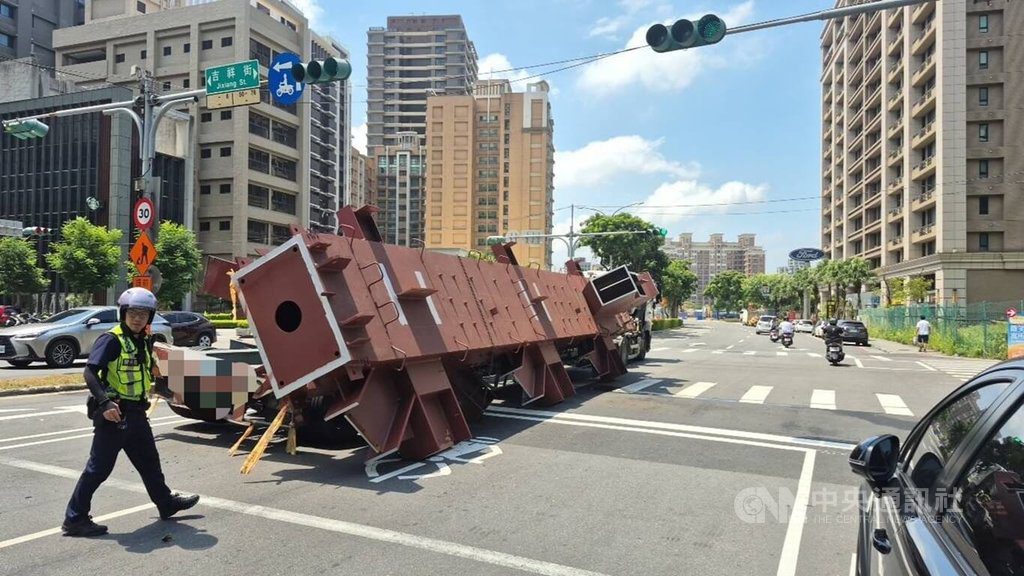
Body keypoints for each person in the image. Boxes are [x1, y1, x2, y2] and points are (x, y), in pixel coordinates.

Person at [62, 287, 199, 537]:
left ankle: (166, 503)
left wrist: (169, 391)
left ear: (150, 317)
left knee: (150, 463)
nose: (138, 318)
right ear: (123, 313)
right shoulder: (111, 340)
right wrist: (104, 403)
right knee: (98, 469)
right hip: (115, 415)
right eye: (133, 313)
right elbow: (90, 373)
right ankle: (75, 518)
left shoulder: (143, 341)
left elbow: (148, 373)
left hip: (137, 414)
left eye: (144, 314)